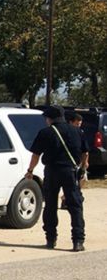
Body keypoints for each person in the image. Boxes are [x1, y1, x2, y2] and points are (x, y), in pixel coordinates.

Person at [25, 106, 86, 252]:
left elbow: (36, 155)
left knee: (51, 206)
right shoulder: (77, 131)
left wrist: (30, 171)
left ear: (50, 119)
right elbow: (85, 152)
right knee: (75, 206)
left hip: (52, 172)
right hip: (70, 172)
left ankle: (51, 239)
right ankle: (78, 241)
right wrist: (82, 168)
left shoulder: (45, 133)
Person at [61, 111, 89, 210]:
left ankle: (71, 197)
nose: (78, 126)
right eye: (77, 124)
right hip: (70, 163)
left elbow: (85, 150)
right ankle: (66, 200)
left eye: (80, 124)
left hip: (79, 161)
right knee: (71, 182)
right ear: (71, 122)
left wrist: (85, 162)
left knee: (82, 179)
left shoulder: (81, 133)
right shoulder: (66, 133)